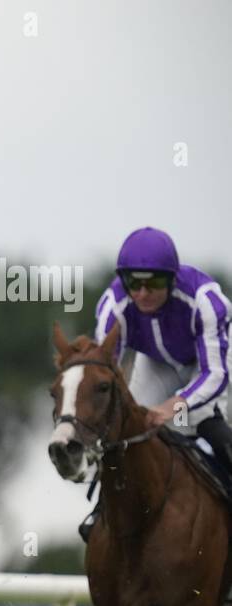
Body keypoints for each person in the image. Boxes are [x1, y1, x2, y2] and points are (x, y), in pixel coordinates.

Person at [80, 227, 232, 541]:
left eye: (155, 283)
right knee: (127, 430)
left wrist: (175, 405)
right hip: (156, 364)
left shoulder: (206, 301)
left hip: (208, 368)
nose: (143, 293)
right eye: (134, 283)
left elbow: (214, 375)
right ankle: (101, 508)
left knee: (213, 431)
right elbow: (104, 369)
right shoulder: (113, 306)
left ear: (172, 279)